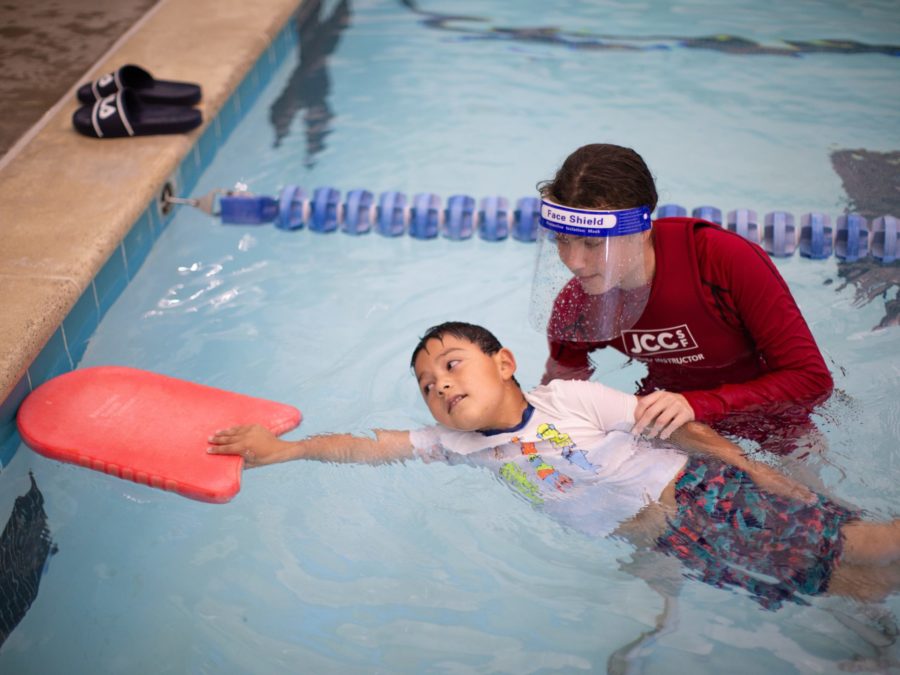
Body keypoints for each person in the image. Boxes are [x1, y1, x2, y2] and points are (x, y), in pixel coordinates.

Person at [209, 321, 900, 606]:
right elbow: (370, 446)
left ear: (504, 364)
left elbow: (674, 425)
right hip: (677, 541)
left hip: (707, 495)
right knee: (829, 583)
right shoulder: (459, 446)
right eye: (428, 385)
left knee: (861, 543)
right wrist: (289, 449)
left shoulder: (565, 398)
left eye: (453, 365)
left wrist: (755, 471)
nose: (441, 385)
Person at [531, 143, 834, 450]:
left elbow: (811, 379)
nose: (573, 261)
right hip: (669, 420)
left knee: (809, 497)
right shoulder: (578, 303)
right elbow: (560, 397)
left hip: (774, 415)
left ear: (641, 231)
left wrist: (697, 404)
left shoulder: (722, 261)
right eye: (562, 240)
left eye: (592, 244)